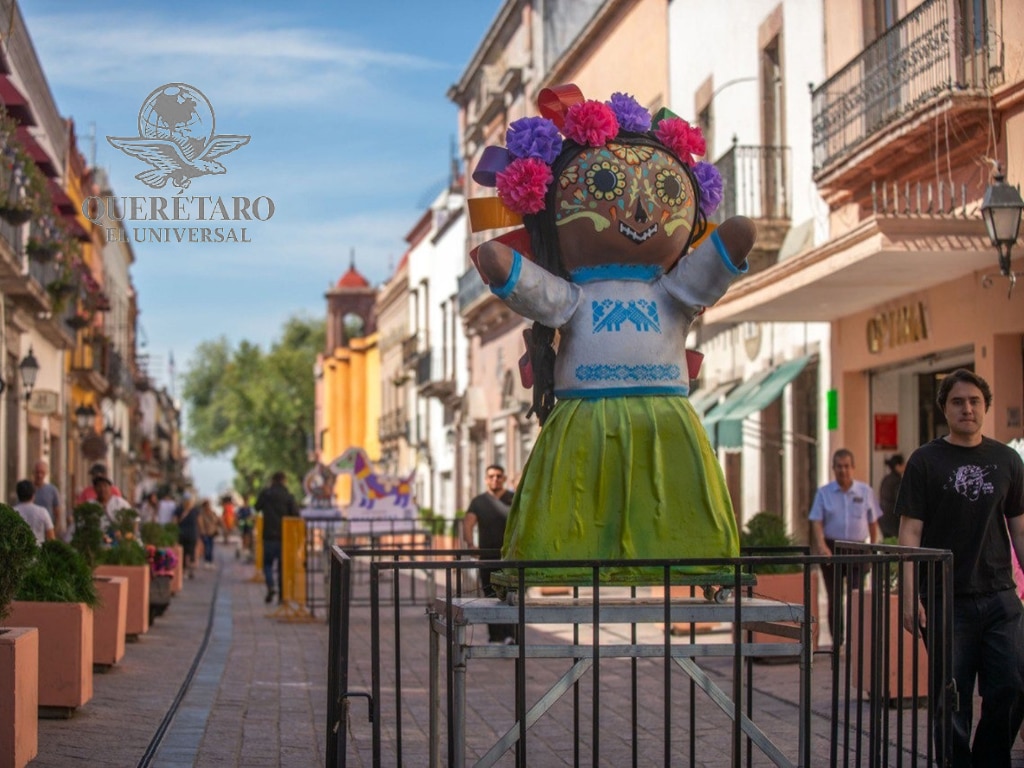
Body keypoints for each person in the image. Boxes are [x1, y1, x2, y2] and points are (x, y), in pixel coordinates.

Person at [471, 87, 754, 584]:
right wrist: (499, 264)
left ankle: (684, 563)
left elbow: (732, 242)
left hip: (649, 412)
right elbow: (511, 272)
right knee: (595, 499)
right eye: (605, 185)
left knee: (639, 498)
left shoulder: (670, 291)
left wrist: (731, 240)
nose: (641, 212)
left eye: (665, 194)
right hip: (604, 414)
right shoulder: (583, 295)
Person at [897, 369, 1024, 766]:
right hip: (945, 600)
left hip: (1001, 596)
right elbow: (910, 534)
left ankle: (989, 759)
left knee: (1011, 686)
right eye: (957, 401)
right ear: (944, 409)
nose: (966, 408)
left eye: (974, 401)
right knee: (950, 697)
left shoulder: (1007, 460)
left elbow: (1019, 530)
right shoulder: (924, 460)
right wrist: (908, 595)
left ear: (985, 407)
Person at [809, 449, 882, 647]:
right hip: (832, 549)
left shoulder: (865, 491)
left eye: (847, 466)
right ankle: (837, 641)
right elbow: (816, 521)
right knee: (834, 598)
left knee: (856, 597)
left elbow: (873, 521)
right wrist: (822, 546)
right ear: (833, 469)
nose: (843, 470)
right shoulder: (824, 493)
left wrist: (873, 547)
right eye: (839, 467)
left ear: (853, 468)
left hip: (858, 550)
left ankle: (855, 640)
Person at [464, 464, 516, 643]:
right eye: (491, 476)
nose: (495, 479)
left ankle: (510, 635)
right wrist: (471, 544)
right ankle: (495, 636)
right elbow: (468, 523)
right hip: (487, 557)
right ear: (486, 479)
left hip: (510, 558)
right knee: (490, 597)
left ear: (504, 478)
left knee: (509, 597)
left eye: (499, 476)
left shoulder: (514, 499)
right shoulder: (479, 501)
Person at [255, 471, 298, 604]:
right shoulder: (288, 495)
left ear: (272, 480)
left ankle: (271, 586)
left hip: (268, 535)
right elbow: (295, 514)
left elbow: (257, 507)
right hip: (284, 536)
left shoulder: (266, 493)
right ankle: (282, 596)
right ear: (284, 480)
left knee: (267, 564)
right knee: (283, 567)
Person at [94, 472, 135, 537]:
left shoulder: (120, 503)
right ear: (94, 488)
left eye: (105, 486)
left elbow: (134, 519)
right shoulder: (90, 504)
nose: (102, 489)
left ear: (110, 487)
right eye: (99, 486)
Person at [14, 478, 54, 544]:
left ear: (18, 495)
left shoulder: (12, 511)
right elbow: (51, 538)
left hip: (17, 552)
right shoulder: (42, 512)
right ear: (33, 495)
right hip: (38, 551)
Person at [31, 460, 63, 539]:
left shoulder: (52, 490)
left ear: (46, 473)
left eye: (42, 472)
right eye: (37, 472)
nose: (39, 475)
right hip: (30, 530)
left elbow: (57, 513)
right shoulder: (28, 490)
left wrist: (55, 531)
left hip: (47, 531)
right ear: (33, 473)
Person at [877, 453, 905, 539]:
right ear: (897, 466)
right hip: (893, 520)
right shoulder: (897, 481)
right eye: (903, 464)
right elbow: (899, 500)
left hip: (883, 518)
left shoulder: (886, 479)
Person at [174, 492, 199, 579]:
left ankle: (189, 571)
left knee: (189, 553)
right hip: (185, 534)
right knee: (185, 553)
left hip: (189, 533)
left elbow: (199, 521)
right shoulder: (181, 509)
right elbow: (175, 521)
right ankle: (186, 571)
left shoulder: (193, 510)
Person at [197, 498, 222, 569]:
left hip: (212, 533)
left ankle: (210, 561)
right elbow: (200, 522)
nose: (209, 507)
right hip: (205, 533)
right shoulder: (202, 514)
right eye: (207, 505)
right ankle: (207, 561)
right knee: (207, 547)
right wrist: (202, 531)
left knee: (211, 547)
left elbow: (217, 520)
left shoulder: (212, 513)